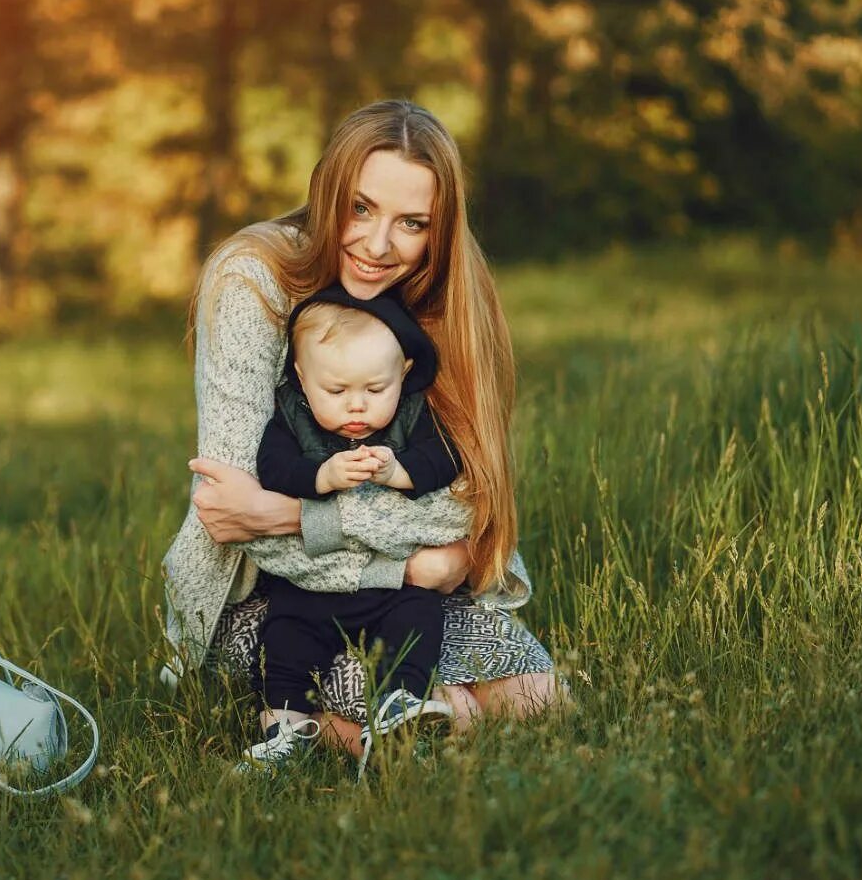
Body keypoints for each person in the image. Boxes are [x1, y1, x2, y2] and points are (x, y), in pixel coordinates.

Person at [161, 99, 565, 760]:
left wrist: (288, 510)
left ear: (440, 230)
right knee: (434, 714)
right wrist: (412, 558)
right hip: (276, 592)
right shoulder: (253, 281)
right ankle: (303, 722)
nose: (379, 247)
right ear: (328, 193)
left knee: (537, 696)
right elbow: (233, 517)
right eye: (361, 208)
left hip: (404, 592)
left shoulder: (449, 297)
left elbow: (472, 503)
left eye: (413, 223)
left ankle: (381, 720)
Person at [239, 284, 461, 773]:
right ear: (302, 377)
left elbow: (447, 458)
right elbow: (272, 470)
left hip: (393, 580)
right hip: (313, 581)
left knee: (419, 616)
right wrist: (320, 476)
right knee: (285, 633)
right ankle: (284, 722)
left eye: (374, 389)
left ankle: (400, 703)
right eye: (336, 392)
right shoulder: (291, 418)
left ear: (403, 373)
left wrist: (397, 472)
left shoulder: (414, 413)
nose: (356, 407)